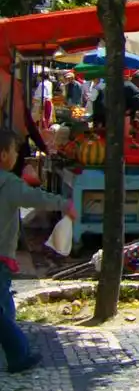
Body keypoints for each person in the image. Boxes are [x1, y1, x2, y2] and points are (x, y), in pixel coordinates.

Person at [0, 128, 77, 373]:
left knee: (4, 301)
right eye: (14, 151)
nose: (16, 156)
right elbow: (37, 198)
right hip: (1, 256)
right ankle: (18, 351)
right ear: (4, 155)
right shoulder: (9, 184)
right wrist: (64, 204)